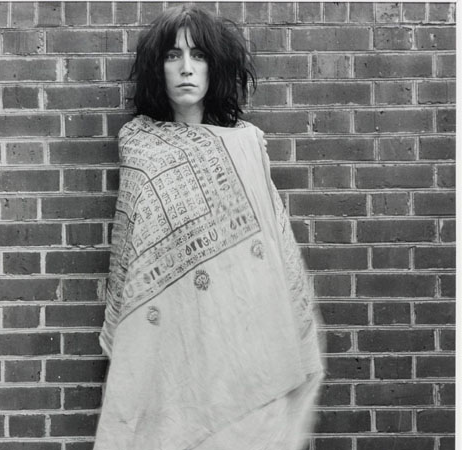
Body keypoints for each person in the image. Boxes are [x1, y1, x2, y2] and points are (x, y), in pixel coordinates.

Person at [95, 5, 324, 450]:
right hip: (171, 345)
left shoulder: (247, 144)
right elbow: (132, 257)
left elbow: (270, 247)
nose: (186, 68)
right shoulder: (141, 146)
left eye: (197, 55)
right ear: (157, 68)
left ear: (213, 67)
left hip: (241, 340)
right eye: (173, 56)